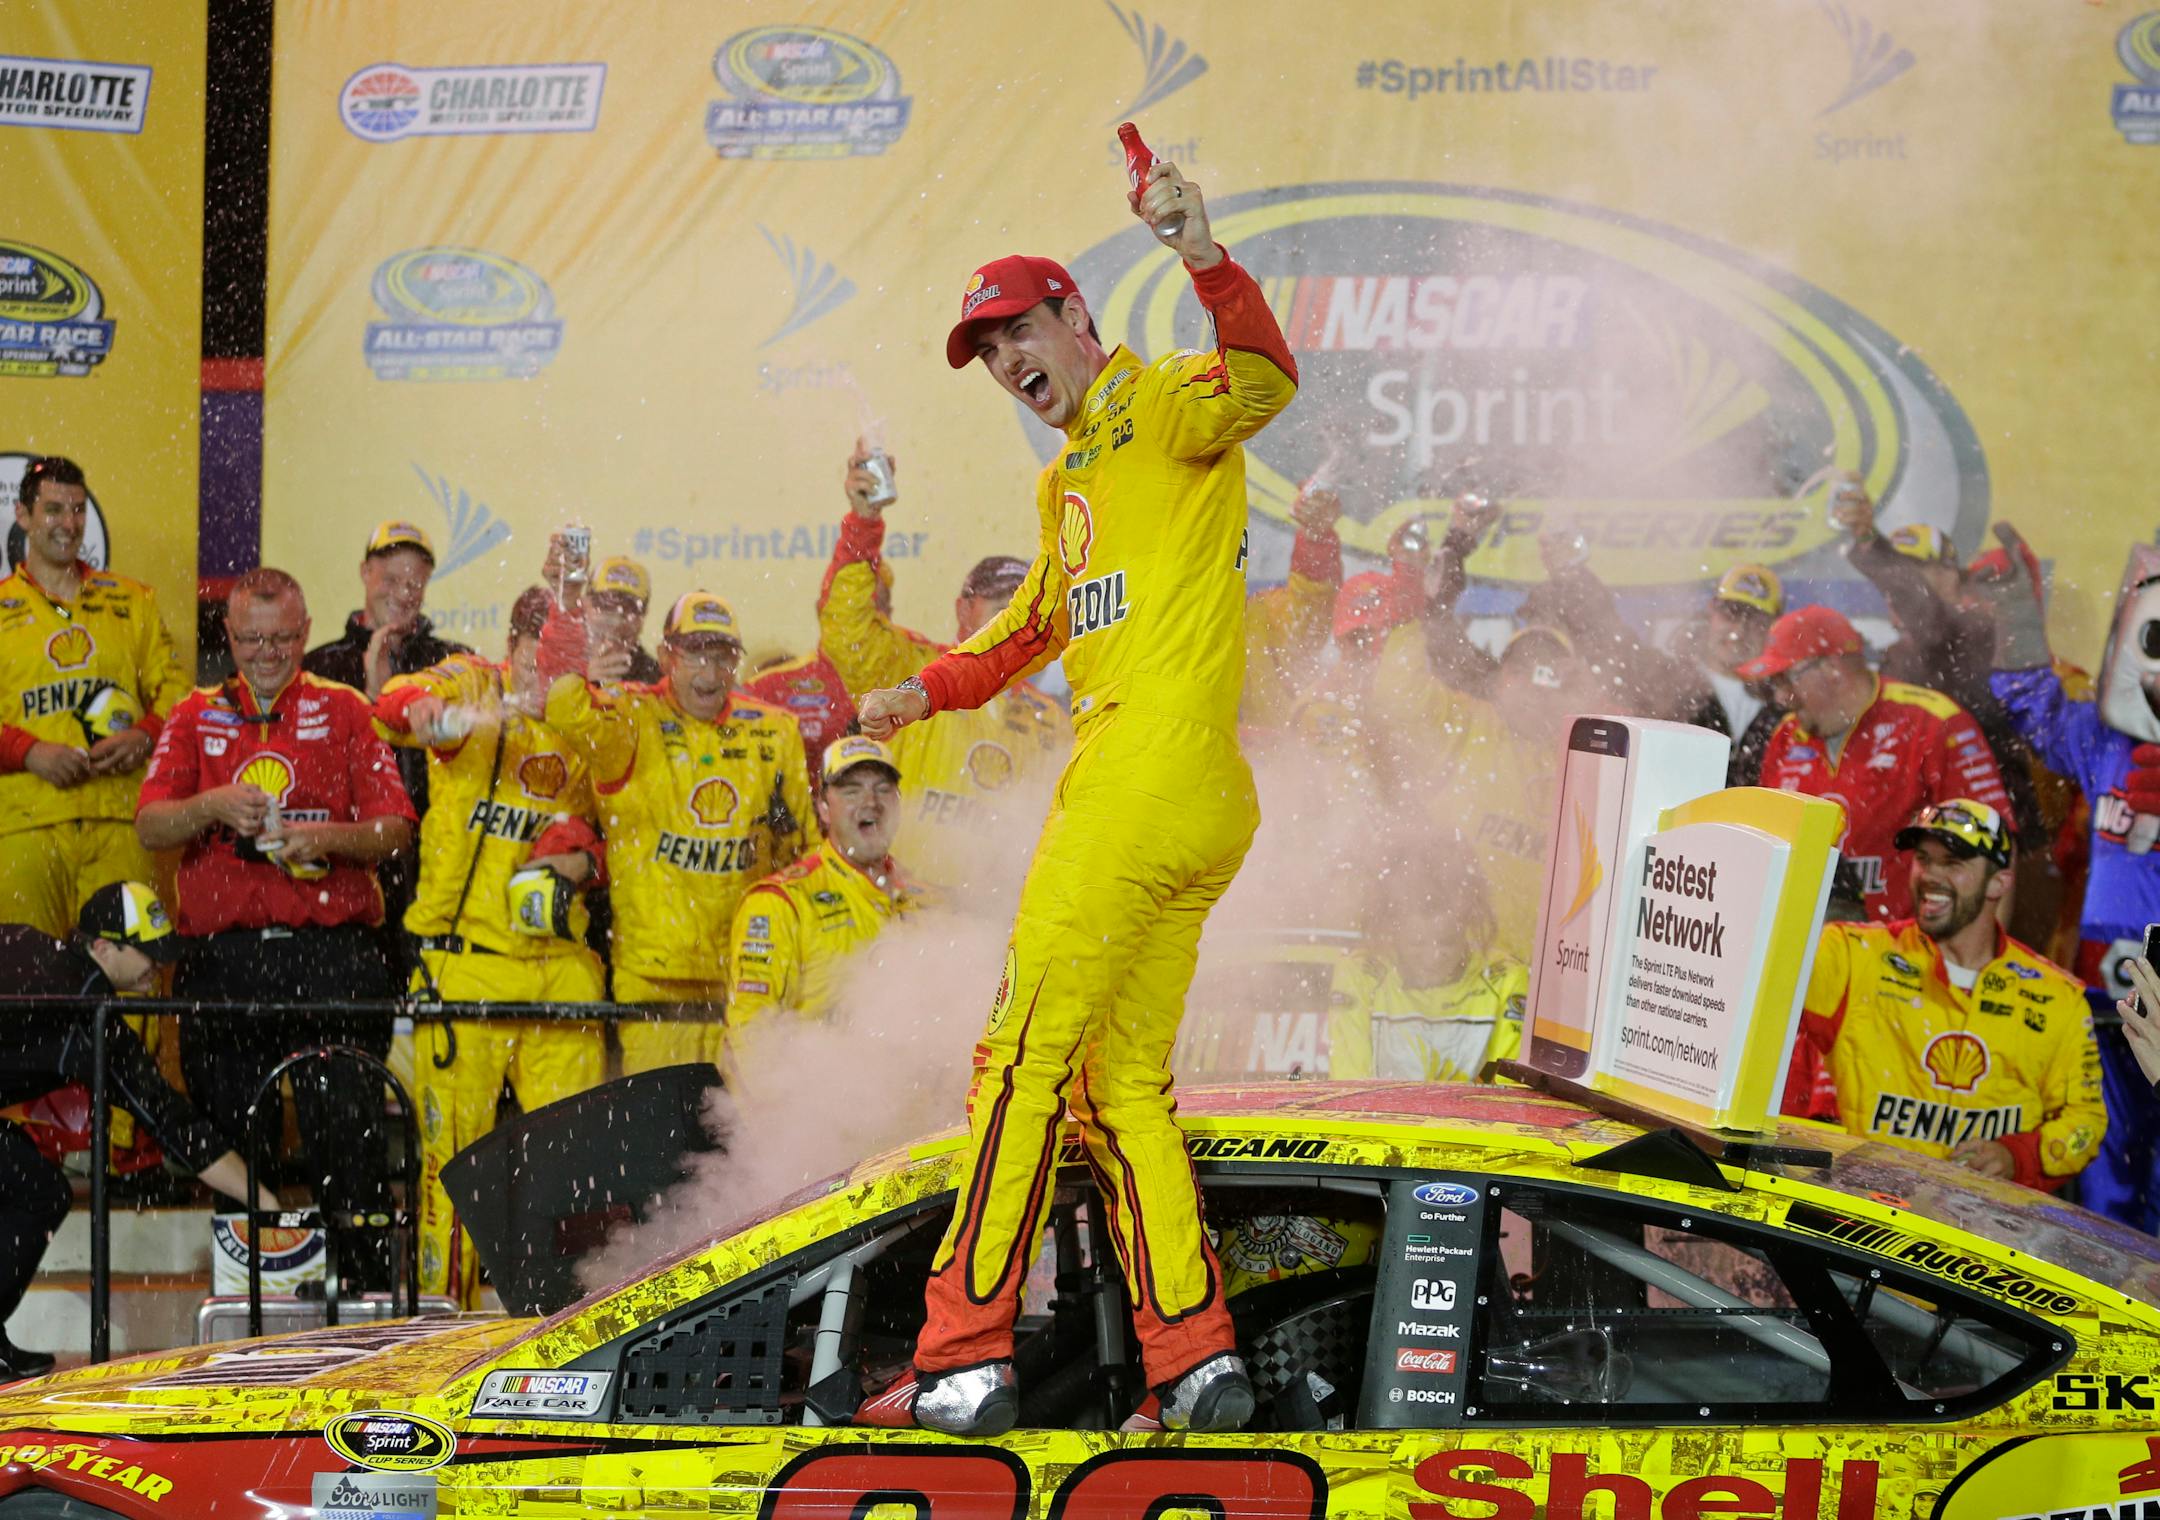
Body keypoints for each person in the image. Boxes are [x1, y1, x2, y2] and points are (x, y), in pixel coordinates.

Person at [854, 153, 1297, 1435]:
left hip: (1142, 772)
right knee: (1120, 1086)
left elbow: (1267, 380)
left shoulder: (1160, 399)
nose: (1006, 361)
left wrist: (1200, 252)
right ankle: (1197, 1358)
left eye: (1018, 331)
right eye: (987, 350)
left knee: (1017, 1061)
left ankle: (962, 1354)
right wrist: (923, 691)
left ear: (1076, 318)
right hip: (1193, 791)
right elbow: (1032, 628)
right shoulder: (1067, 480)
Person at [135, 567, 414, 1286]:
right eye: (251, 639)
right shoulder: (194, 713)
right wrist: (211, 805)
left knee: (347, 1139)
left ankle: (365, 1301)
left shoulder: (345, 709)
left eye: (283, 638)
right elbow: (150, 825)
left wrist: (326, 840)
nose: (266, 653)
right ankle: (249, 1312)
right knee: (234, 1145)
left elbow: (395, 830)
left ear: (306, 631)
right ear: (228, 635)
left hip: (333, 956)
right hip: (224, 961)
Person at [375, 587, 608, 1305]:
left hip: (561, 972)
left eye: (570, 667)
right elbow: (394, 704)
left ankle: (567, 1322)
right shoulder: (472, 682)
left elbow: (622, 831)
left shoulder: (586, 712)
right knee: (453, 1167)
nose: (554, 680)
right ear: (514, 645)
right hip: (466, 966)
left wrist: (579, 855)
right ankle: (440, 1325)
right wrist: (419, 708)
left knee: (576, 1169)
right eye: (544, 661)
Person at [0, 882, 280, 1379]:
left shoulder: (29, 945)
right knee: (37, 1192)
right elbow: (172, 1122)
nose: (161, 965)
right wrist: (264, 1201)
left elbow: (172, 1120)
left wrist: (260, 1198)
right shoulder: (87, 1017)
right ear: (103, 948)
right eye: (150, 953)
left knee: (37, 1190)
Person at [543, 589, 818, 1073]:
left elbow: (804, 854)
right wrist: (577, 659)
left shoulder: (776, 731)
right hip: (653, 980)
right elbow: (564, 712)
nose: (710, 672)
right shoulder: (631, 715)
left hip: (748, 976)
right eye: (695, 655)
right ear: (666, 655)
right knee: (660, 1119)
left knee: (746, 1120)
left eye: (723, 656)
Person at [1782, 799, 2104, 1191]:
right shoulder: (1851, 954)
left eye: (1952, 863)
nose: (1931, 875)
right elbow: (1760, 991)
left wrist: (2018, 1157)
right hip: (1865, 1211)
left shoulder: (2058, 997)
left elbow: (2086, 1122)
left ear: (1999, 882)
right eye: (1923, 859)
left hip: (1986, 1221)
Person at [1981, 526, 2160, 1227]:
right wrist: (2018, 621)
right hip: (2103, 996)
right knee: (2108, 1176)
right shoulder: (2106, 740)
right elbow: (2031, 700)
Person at [817, 448, 1071, 889]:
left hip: (997, 910)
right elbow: (846, 628)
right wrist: (864, 522)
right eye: (1002, 602)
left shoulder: (1048, 717)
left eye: (1023, 604)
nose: (1015, 616)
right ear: (963, 609)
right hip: (906, 906)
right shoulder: (910, 667)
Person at [0, 456, 188, 938]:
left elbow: (178, 693)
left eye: (78, 509)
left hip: (120, 818)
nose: (69, 523)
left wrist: (146, 735)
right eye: (53, 510)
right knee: (24, 972)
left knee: (133, 966)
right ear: (22, 515)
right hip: (24, 825)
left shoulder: (134, 600)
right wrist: (29, 752)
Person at [1742, 604, 2011, 923]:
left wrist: (1979, 954)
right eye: (1775, 685)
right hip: (1809, 944)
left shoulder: (1933, 723)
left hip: (1906, 946)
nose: (1780, 697)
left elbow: (1996, 851)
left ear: (1832, 669)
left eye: (1786, 680)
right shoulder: (1785, 737)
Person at [303, 520, 471, 969]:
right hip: (347, 869)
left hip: (438, 870)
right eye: (391, 579)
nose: (403, 593)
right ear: (365, 573)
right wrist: (370, 703)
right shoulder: (319, 667)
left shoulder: (455, 663)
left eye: (414, 582)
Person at [726, 735, 925, 1037]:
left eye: (883, 789)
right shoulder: (780, 901)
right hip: (819, 1068)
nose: (871, 802)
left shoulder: (932, 902)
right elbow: (751, 1031)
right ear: (823, 807)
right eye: (851, 790)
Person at [1327, 849, 1525, 1080]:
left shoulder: (1504, 978)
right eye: (1417, 944)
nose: (1433, 956)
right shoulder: (1362, 974)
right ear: (1394, 933)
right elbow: (1349, 1082)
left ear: (1465, 927)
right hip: (1378, 1106)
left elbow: (1507, 1088)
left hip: (1474, 1106)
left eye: (1447, 943)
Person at [1241, 485, 1345, 732]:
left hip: (1271, 746)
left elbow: (1306, 617)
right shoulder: (1171, 616)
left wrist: (1315, 543)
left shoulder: (1263, 614)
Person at [574, 554, 664, 685]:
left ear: (643, 617)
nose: (616, 620)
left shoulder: (655, 679)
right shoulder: (557, 655)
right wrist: (587, 687)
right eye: (606, 605)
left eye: (629, 608)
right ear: (584, 605)